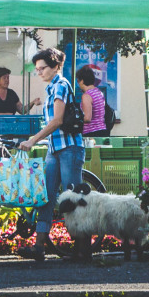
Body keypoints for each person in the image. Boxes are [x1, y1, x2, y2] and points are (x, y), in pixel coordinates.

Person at [20, 48, 83, 264]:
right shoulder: (50, 89)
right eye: (36, 70)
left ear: (55, 66)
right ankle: (39, 247)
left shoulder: (61, 85)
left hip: (69, 148)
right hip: (54, 149)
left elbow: (56, 121)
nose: (39, 72)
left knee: (71, 198)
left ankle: (82, 248)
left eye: (42, 68)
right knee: (45, 197)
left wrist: (32, 140)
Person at [77, 67, 109, 139]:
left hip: (91, 132)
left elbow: (87, 118)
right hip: (102, 130)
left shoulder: (87, 95)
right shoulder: (99, 92)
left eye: (78, 80)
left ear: (82, 81)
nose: (78, 83)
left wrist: (76, 119)